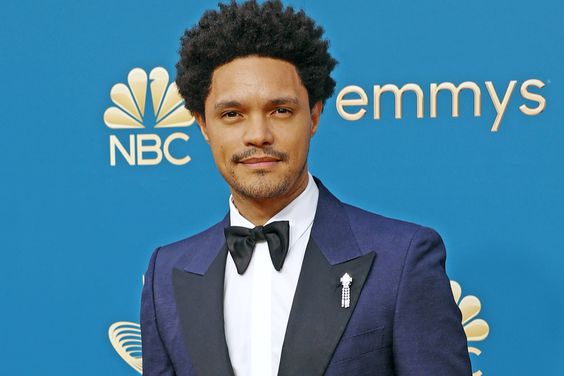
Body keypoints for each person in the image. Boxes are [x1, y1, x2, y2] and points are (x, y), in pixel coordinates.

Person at [140, 1, 472, 375]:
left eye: (280, 110)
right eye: (231, 114)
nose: (258, 135)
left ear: (313, 116)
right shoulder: (166, 274)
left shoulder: (401, 260)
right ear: (203, 125)